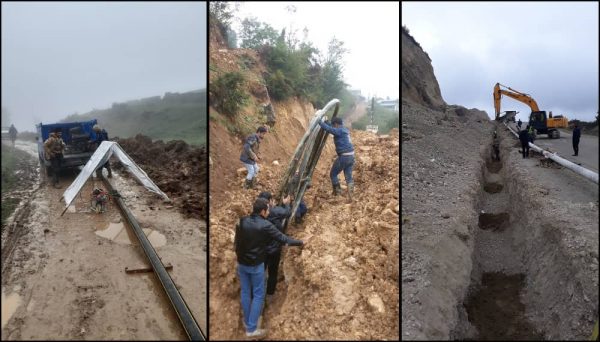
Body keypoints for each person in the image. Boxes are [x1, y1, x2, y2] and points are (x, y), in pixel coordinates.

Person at [234, 198, 303, 339]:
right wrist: (301, 242)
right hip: (256, 265)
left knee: (246, 292)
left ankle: (247, 322)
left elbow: (237, 242)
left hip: (242, 264)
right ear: (263, 211)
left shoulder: (241, 221)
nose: (269, 212)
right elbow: (283, 239)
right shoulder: (265, 225)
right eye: (268, 210)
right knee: (259, 295)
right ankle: (251, 329)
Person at [257, 192, 291, 304]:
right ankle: (270, 295)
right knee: (273, 272)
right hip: (275, 249)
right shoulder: (275, 211)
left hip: (262, 249)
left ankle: (258, 295)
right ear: (270, 201)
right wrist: (286, 204)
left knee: (261, 271)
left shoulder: (257, 213)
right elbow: (288, 213)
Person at [317, 117, 355, 197]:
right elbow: (332, 127)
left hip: (344, 157)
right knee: (349, 177)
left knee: (333, 174)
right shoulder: (344, 130)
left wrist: (320, 122)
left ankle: (337, 193)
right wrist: (327, 122)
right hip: (351, 156)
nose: (333, 126)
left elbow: (329, 129)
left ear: (336, 124)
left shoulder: (339, 131)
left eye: (334, 125)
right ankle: (352, 195)